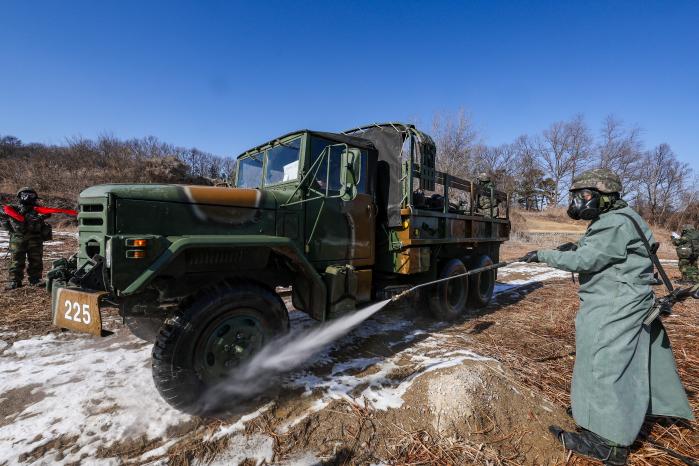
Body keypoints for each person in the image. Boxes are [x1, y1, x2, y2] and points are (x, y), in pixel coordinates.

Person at [522, 169, 693, 465]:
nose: (579, 202)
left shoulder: (613, 222)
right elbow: (610, 253)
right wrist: (577, 246)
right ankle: (598, 414)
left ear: (606, 197)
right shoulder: (623, 217)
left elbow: (586, 260)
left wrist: (544, 255)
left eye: (585, 196)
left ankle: (608, 443)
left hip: (613, 304)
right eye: (576, 196)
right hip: (626, 299)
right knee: (621, 362)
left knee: (604, 364)